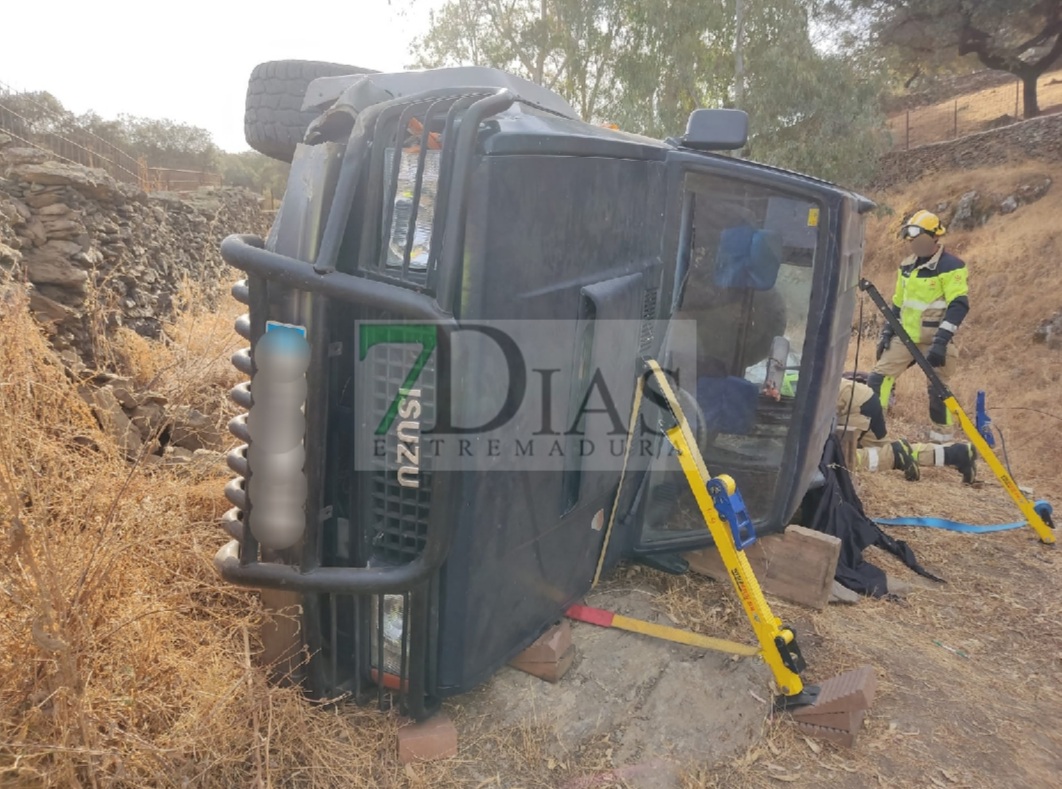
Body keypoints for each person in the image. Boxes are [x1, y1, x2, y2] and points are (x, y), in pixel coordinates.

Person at [867, 210, 969, 443]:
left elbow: (959, 305)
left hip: (935, 339)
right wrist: (887, 331)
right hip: (905, 337)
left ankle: (942, 439)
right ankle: (873, 430)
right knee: (878, 378)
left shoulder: (951, 267)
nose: (913, 244)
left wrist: (942, 341)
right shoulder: (906, 266)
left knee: (938, 389)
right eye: (911, 240)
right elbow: (898, 303)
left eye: (918, 238)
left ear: (934, 237)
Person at [838, 378, 976, 484]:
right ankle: (956, 454)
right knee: (881, 452)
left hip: (854, 406)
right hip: (864, 399)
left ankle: (896, 455)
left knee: (841, 459)